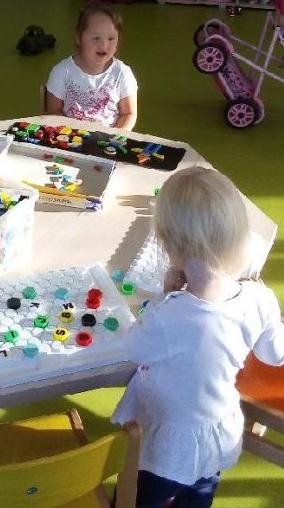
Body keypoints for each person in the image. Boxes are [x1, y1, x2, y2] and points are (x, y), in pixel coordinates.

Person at [112, 166, 284, 508]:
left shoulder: (170, 315)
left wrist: (162, 298)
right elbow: (275, 355)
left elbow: (134, 348)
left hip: (167, 449)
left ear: (170, 246)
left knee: (140, 499)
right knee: (197, 498)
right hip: (219, 433)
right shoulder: (259, 298)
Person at [45, 1, 137, 129]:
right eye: (96, 38)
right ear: (79, 38)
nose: (104, 45)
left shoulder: (122, 73)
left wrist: (117, 136)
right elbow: (53, 112)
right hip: (70, 137)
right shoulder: (62, 72)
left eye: (111, 39)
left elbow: (128, 114)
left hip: (109, 139)